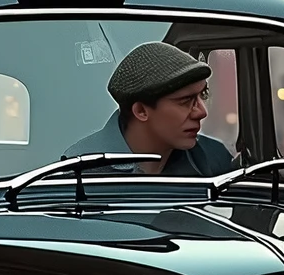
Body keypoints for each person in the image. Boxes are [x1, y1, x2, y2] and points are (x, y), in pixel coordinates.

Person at [68, 42, 238, 178]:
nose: (201, 112)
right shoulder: (79, 170)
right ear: (141, 110)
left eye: (203, 95)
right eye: (186, 101)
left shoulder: (213, 158)